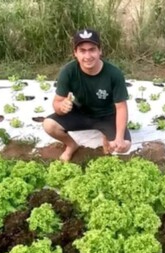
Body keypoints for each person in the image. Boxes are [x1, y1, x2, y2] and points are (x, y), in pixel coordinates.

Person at [43, 28, 132, 162]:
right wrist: (61, 107)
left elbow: (121, 107)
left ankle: (105, 133)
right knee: (49, 125)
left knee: (125, 146)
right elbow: (57, 102)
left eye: (92, 49)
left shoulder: (114, 74)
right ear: (75, 53)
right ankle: (71, 145)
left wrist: (119, 137)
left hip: (107, 116)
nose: (88, 56)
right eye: (82, 51)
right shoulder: (68, 71)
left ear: (100, 51)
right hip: (81, 113)